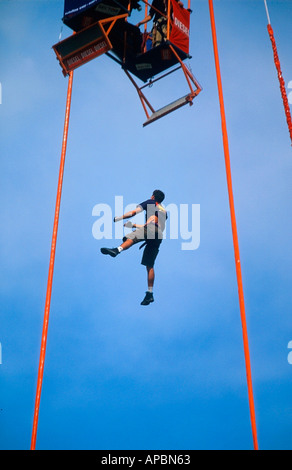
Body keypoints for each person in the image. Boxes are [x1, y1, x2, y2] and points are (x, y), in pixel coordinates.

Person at [100, 190, 167, 306]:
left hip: (151, 230)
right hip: (158, 236)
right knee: (149, 265)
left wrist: (119, 218)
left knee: (131, 238)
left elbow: (133, 212)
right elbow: (155, 226)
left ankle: (117, 250)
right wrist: (134, 225)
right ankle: (150, 293)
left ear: (153, 196)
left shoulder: (150, 202)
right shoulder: (164, 211)